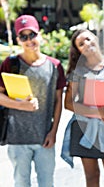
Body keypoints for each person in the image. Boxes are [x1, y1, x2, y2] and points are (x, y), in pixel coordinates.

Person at [0, 15, 66, 187]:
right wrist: (21, 105)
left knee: (47, 183)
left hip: (45, 138)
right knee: (21, 183)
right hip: (17, 138)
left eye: (32, 35)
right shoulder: (11, 64)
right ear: (18, 40)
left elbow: (59, 101)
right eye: (24, 36)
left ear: (40, 35)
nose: (29, 40)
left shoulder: (55, 66)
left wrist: (53, 132)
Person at [63, 29, 104, 187]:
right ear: (78, 50)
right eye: (80, 44)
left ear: (95, 38)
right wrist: (97, 112)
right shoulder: (78, 71)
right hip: (85, 129)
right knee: (92, 178)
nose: (86, 44)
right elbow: (69, 103)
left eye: (87, 39)